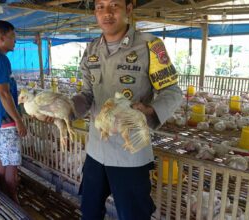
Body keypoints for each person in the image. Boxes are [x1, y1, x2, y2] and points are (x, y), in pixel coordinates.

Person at [71, 0, 183, 219]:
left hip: (130, 153)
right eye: (100, 6)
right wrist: (65, 109)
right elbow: (87, 95)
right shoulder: (91, 48)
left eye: (114, 5)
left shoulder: (150, 46)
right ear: (95, 11)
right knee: (89, 211)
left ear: (129, 8)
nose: (107, 13)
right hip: (96, 150)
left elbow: (172, 91)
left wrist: (150, 109)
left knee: (133, 215)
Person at [0, 20, 26, 204]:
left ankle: (3, 196)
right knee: (12, 163)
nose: (15, 41)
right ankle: (12, 199)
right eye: (12, 38)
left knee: (4, 157)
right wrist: (18, 119)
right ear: (1, 38)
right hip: (6, 119)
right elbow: (3, 93)